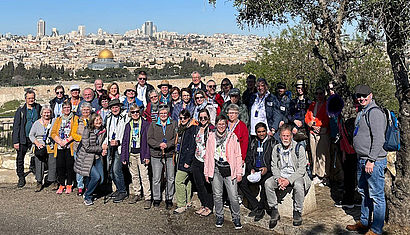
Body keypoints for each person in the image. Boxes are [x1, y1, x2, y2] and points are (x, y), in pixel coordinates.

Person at [346, 85, 387, 235]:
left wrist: (371, 160)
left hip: (373, 162)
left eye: (364, 95)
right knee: (364, 192)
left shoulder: (374, 112)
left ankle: (376, 230)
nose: (361, 98)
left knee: (376, 196)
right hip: (362, 159)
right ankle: (364, 223)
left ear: (371, 95)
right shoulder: (363, 111)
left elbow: (379, 139)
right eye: (358, 96)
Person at [265, 124, 312, 229]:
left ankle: (297, 211)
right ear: (280, 136)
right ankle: (274, 210)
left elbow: (301, 169)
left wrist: (288, 181)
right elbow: (274, 165)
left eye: (287, 136)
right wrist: (278, 178)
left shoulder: (299, 148)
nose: (285, 138)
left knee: (299, 185)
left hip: (296, 175)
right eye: (283, 136)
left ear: (291, 136)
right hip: (281, 175)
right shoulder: (277, 148)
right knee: (268, 183)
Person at [204, 115, 243, 230]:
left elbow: (238, 155)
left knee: (233, 196)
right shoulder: (211, 136)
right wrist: (206, 172)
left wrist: (239, 172)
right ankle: (219, 216)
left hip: (229, 169)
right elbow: (207, 155)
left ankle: (236, 218)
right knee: (217, 195)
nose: (221, 126)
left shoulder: (232, 136)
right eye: (219, 124)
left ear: (226, 125)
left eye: (223, 124)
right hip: (216, 168)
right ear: (216, 124)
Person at [240, 122, 275, 221]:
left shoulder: (272, 142)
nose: (261, 134)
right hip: (254, 170)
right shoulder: (253, 142)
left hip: (267, 170)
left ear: (266, 131)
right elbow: (248, 157)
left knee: (266, 183)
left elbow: (275, 159)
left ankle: (260, 208)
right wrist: (251, 168)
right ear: (256, 133)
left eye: (263, 131)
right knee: (242, 182)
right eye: (259, 132)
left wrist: (267, 168)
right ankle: (257, 206)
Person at [120, 104, 151, 208]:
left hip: (141, 153)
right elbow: (125, 141)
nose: (135, 114)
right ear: (130, 114)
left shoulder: (146, 124)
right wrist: (124, 156)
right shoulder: (128, 125)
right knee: (134, 175)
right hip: (131, 153)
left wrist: (147, 156)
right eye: (133, 112)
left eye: (137, 111)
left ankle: (147, 197)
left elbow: (148, 142)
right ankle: (137, 193)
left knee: (144, 175)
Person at [147, 104, 177, 209]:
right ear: (158, 114)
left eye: (165, 113)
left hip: (169, 154)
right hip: (156, 154)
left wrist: (168, 145)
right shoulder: (154, 124)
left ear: (168, 114)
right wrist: (159, 144)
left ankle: (169, 198)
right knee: (156, 178)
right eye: (161, 113)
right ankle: (156, 198)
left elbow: (175, 138)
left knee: (170, 177)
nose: (163, 115)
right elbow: (149, 138)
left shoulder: (173, 123)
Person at [74, 113, 107, 206]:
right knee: (96, 177)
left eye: (100, 119)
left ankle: (90, 190)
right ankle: (88, 196)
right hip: (86, 157)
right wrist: (101, 148)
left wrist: (104, 150)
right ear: (92, 121)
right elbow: (87, 147)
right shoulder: (87, 130)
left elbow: (104, 142)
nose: (99, 121)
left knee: (101, 179)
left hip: (97, 157)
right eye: (96, 120)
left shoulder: (103, 130)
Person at [12, 89, 42, 188]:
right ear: (25, 99)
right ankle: (21, 177)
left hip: (35, 137)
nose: (31, 100)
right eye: (29, 98)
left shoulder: (38, 108)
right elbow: (16, 126)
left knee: (37, 155)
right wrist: (15, 141)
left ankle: (35, 170)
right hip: (23, 137)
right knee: (20, 158)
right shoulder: (20, 110)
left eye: (32, 98)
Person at [50, 100, 81, 194]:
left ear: (71, 108)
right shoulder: (58, 119)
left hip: (69, 145)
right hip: (59, 146)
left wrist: (66, 141)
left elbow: (74, 132)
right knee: (60, 166)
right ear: (62, 109)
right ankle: (61, 184)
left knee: (69, 166)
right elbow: (53, 132)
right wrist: (59, 141)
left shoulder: (75, 118)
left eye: (68, 107)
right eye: (65, 108)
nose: (66, 109)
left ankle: (69, 184)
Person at [103, 99, 129, 203]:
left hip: (120, 147)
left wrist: (119, 141)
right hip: (110, 145)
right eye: (112, 107)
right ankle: (118, 189)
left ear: (120, 107)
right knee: (110, 170)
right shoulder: (108, 117)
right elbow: (108, 132)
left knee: (116, 169)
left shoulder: (125, 117)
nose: (115, 109)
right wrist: (105, 143)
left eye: (116, 107)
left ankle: (123, 191)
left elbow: (127, 133)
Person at [173, 109, 198, 214]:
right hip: (180, 157)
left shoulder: (192, 129)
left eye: (185, 118)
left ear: (189, 118)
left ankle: (181, 204)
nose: (182, 120)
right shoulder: (182, 128)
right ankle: (187, 201)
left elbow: (192, 147)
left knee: (178, 180)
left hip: (186, 159)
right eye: (181, 118)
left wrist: (188, 161)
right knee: (187, 182)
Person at [305, 87, 330, 186]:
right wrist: (311, 124)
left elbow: (327, 119)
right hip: (312, 132)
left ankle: (324, 175)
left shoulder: (327, 105)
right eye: (317, 94)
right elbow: (307, 117)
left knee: (322, 155)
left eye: (321, 94)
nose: (319, 96)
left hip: (322, 132)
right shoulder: (312, 105)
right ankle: (315, 174)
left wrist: (319, 126)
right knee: (314, 154)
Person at [28, 105, 56, 192]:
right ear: (41, 113)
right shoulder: (37, 123)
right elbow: (31, 135)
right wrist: (37, 143)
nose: (46, 114)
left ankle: (53, 181)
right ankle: (39, 181)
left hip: (51, 144)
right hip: (40, 145)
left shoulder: (54, 121)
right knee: (39, 163)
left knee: (53, 163)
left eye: (48, 112)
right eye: (45, 112)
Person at [192, 109, 214, 217]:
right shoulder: (197, 128)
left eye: (205, 117)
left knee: (208, 184)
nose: (203, 120)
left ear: (208, 118)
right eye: (201, 118)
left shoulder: (211, 129)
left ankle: (209, 206)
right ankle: (204, 204)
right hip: (197, 158)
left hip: (207, 160)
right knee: (199, 184)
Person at [72, 102, 92, 196]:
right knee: (79, 168)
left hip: (89, 148)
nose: (86, 111)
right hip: (79, 147)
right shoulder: (77, 120)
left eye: (87, 110)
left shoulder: (93, 119)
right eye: (84, 110)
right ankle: (80, 187)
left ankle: (88, 186)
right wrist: (82, 139)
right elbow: (73, 133)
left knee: (88, 168)